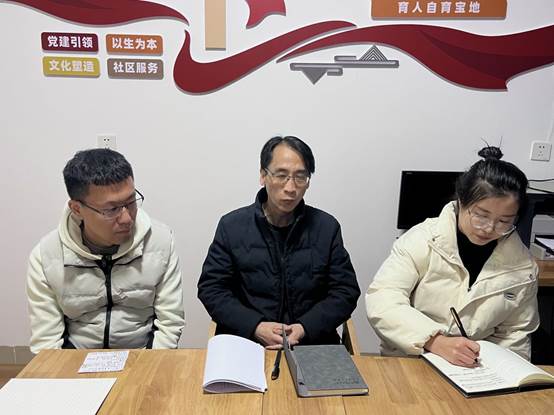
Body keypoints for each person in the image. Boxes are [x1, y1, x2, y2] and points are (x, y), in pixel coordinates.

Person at [366, 146, 539, 367]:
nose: (489, 228)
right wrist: (435, 342)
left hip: (477, 368)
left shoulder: (523, 267)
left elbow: (515, 332)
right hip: (412, 360)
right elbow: (383, 300)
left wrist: (506, 371)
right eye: (481, 215)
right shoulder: (422, 239)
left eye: (504, 221)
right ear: (461, 201)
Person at [198, 136, 360, 348]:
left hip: (312, 342)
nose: (291, 187)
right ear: (263, 175)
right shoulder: (232, 226)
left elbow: (345, 291)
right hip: (248, 341)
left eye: (300, 177)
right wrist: (255, 326)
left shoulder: (326, 228)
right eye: (281, 175)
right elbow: (211, 288)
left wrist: (304, 328)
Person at [27, 149, 185, 353]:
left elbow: (170, 323)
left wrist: (149, 366)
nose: (127, 218)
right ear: (77, 209)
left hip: (143, 354)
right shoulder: (46, 257)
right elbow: (46, 341)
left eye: (131, 202)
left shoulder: (160, 242)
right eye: (111, 209)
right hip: (77, 357)